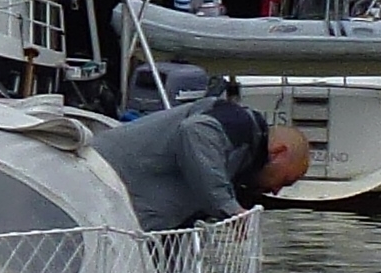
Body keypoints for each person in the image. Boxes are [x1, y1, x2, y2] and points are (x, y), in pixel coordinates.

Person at [96, 91, 312, 225]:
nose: (276, 191)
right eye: (285, 181)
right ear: (278, 153)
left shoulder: (238, 160)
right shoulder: (239, 126)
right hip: (98, 189)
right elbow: (195, 131)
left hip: (116, 217)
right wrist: (229, 208)